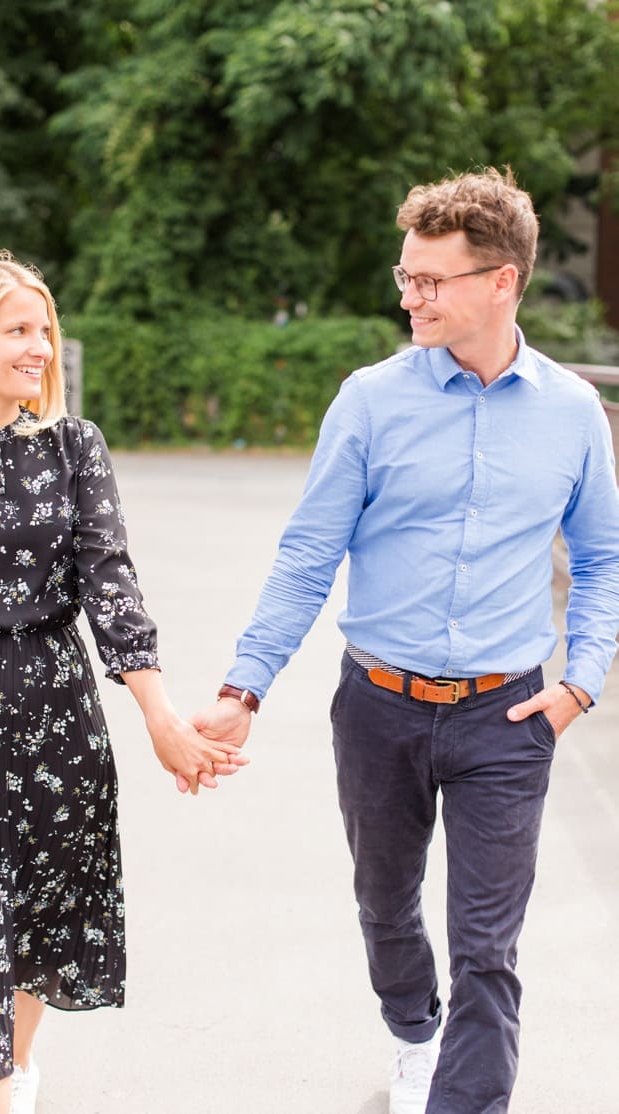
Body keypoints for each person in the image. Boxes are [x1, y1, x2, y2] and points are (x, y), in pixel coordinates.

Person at [193, 168, 619, 1114]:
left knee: (487, 946)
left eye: (432, 280)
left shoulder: (571, 414)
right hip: (378, 706)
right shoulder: (370, 401)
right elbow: (309, 554)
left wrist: (578, 685)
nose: (409, 296)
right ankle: (411, 1032)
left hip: (509, 716)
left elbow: (602, 559)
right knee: (385, 909)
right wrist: (243, 687)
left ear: (501, 282)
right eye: (406, 275)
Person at [0, 251, 246, 1113]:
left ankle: (13, 1066)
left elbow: (108, 584)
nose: (40, 347)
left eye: (45, 328)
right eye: (19, 330)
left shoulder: (73, 449)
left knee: (35, 923)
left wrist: (160, 719)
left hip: (52, 716)